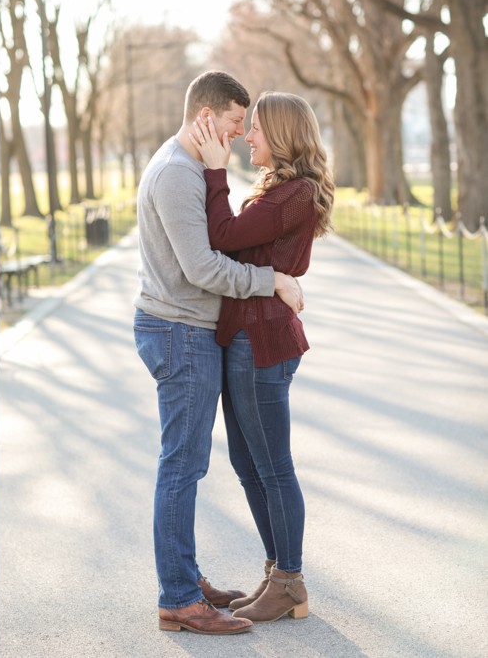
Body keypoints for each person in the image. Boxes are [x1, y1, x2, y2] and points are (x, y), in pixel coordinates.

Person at [134, 70, 304, 636]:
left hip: (186, 329)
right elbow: (203, 267)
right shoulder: (180, 175)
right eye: (234, 124)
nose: (237, 136)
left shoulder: (180, 165)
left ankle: (185, 578)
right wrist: (272, 280)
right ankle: (180, 597)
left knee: (188, 465)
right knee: (182, 467)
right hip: (180, 332)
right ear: (206, 117)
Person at [190, 91, 334, 623]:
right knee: (248, 463)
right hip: (249, 337)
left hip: (262, 341)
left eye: (255, 129)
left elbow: (222, 237)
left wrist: (213, 171)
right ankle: (278, 573)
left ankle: (290, 581)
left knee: (273, 467)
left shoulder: (294, 194)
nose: (246, 136)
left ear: (281, 134)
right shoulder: (278, 189)